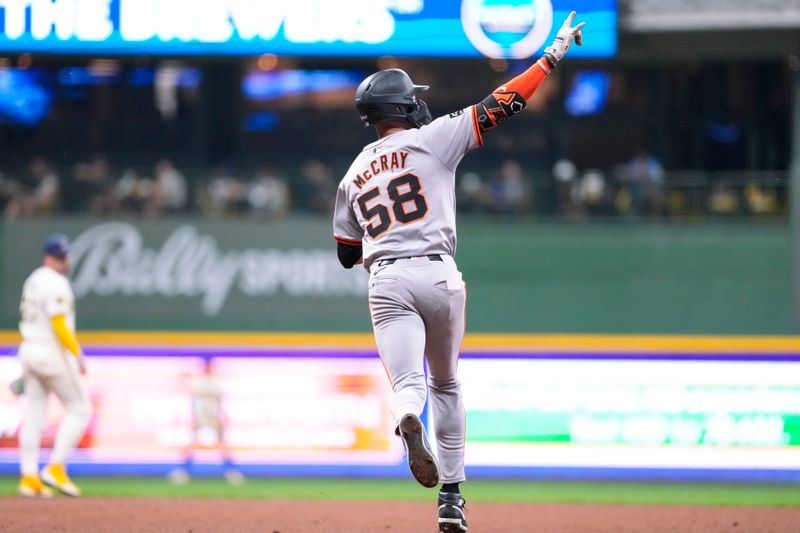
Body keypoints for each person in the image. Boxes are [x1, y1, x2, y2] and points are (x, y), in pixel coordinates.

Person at [332, 12, 585, 532]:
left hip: (386, 279)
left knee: (409, 384)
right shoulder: (434, 139)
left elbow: (344, 252)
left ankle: (407, 419)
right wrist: (552, 55)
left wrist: (381, 250)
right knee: (446, 383)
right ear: (404, 106)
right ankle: (451, 498)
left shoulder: (355, 170)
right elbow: (505, 102)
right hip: (439, 274)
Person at [17, 234, 91, 497]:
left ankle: (28, 477)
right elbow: (59, 323)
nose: (64, 261)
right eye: (60, 256)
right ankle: (56, 468)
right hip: (51, 351)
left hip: (29, 348)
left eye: (65, 256)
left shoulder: (34, 278)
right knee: (80, 408)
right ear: (48, 257)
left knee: (35, 415)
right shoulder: (55, 282)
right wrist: (77, 354)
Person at [167, 357, 245, 486]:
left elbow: (220, 401)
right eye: (206, 366)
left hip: (214, 416)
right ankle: (184, 471)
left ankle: (231, 471)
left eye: (210, 366)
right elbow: (193, 401)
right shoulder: (198, 382)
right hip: (200, 415)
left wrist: (224, 416)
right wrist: (192, 417)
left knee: (223, 444)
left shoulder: (216, 382)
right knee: (191, 444)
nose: (208, 369)